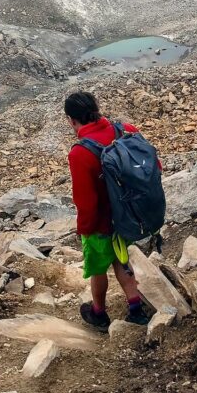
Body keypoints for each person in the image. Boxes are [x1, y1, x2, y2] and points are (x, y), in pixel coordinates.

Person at [65, 91, 149, 328]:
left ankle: (98, 313)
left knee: (98, 268)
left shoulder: (80, 153)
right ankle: (136, 309)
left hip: (101, 222)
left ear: (71, 120)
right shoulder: (125, 130)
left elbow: (86, 201)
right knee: (121, 259)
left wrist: (84, 229)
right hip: (129, 216)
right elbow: (152, 165)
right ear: (97, 109)